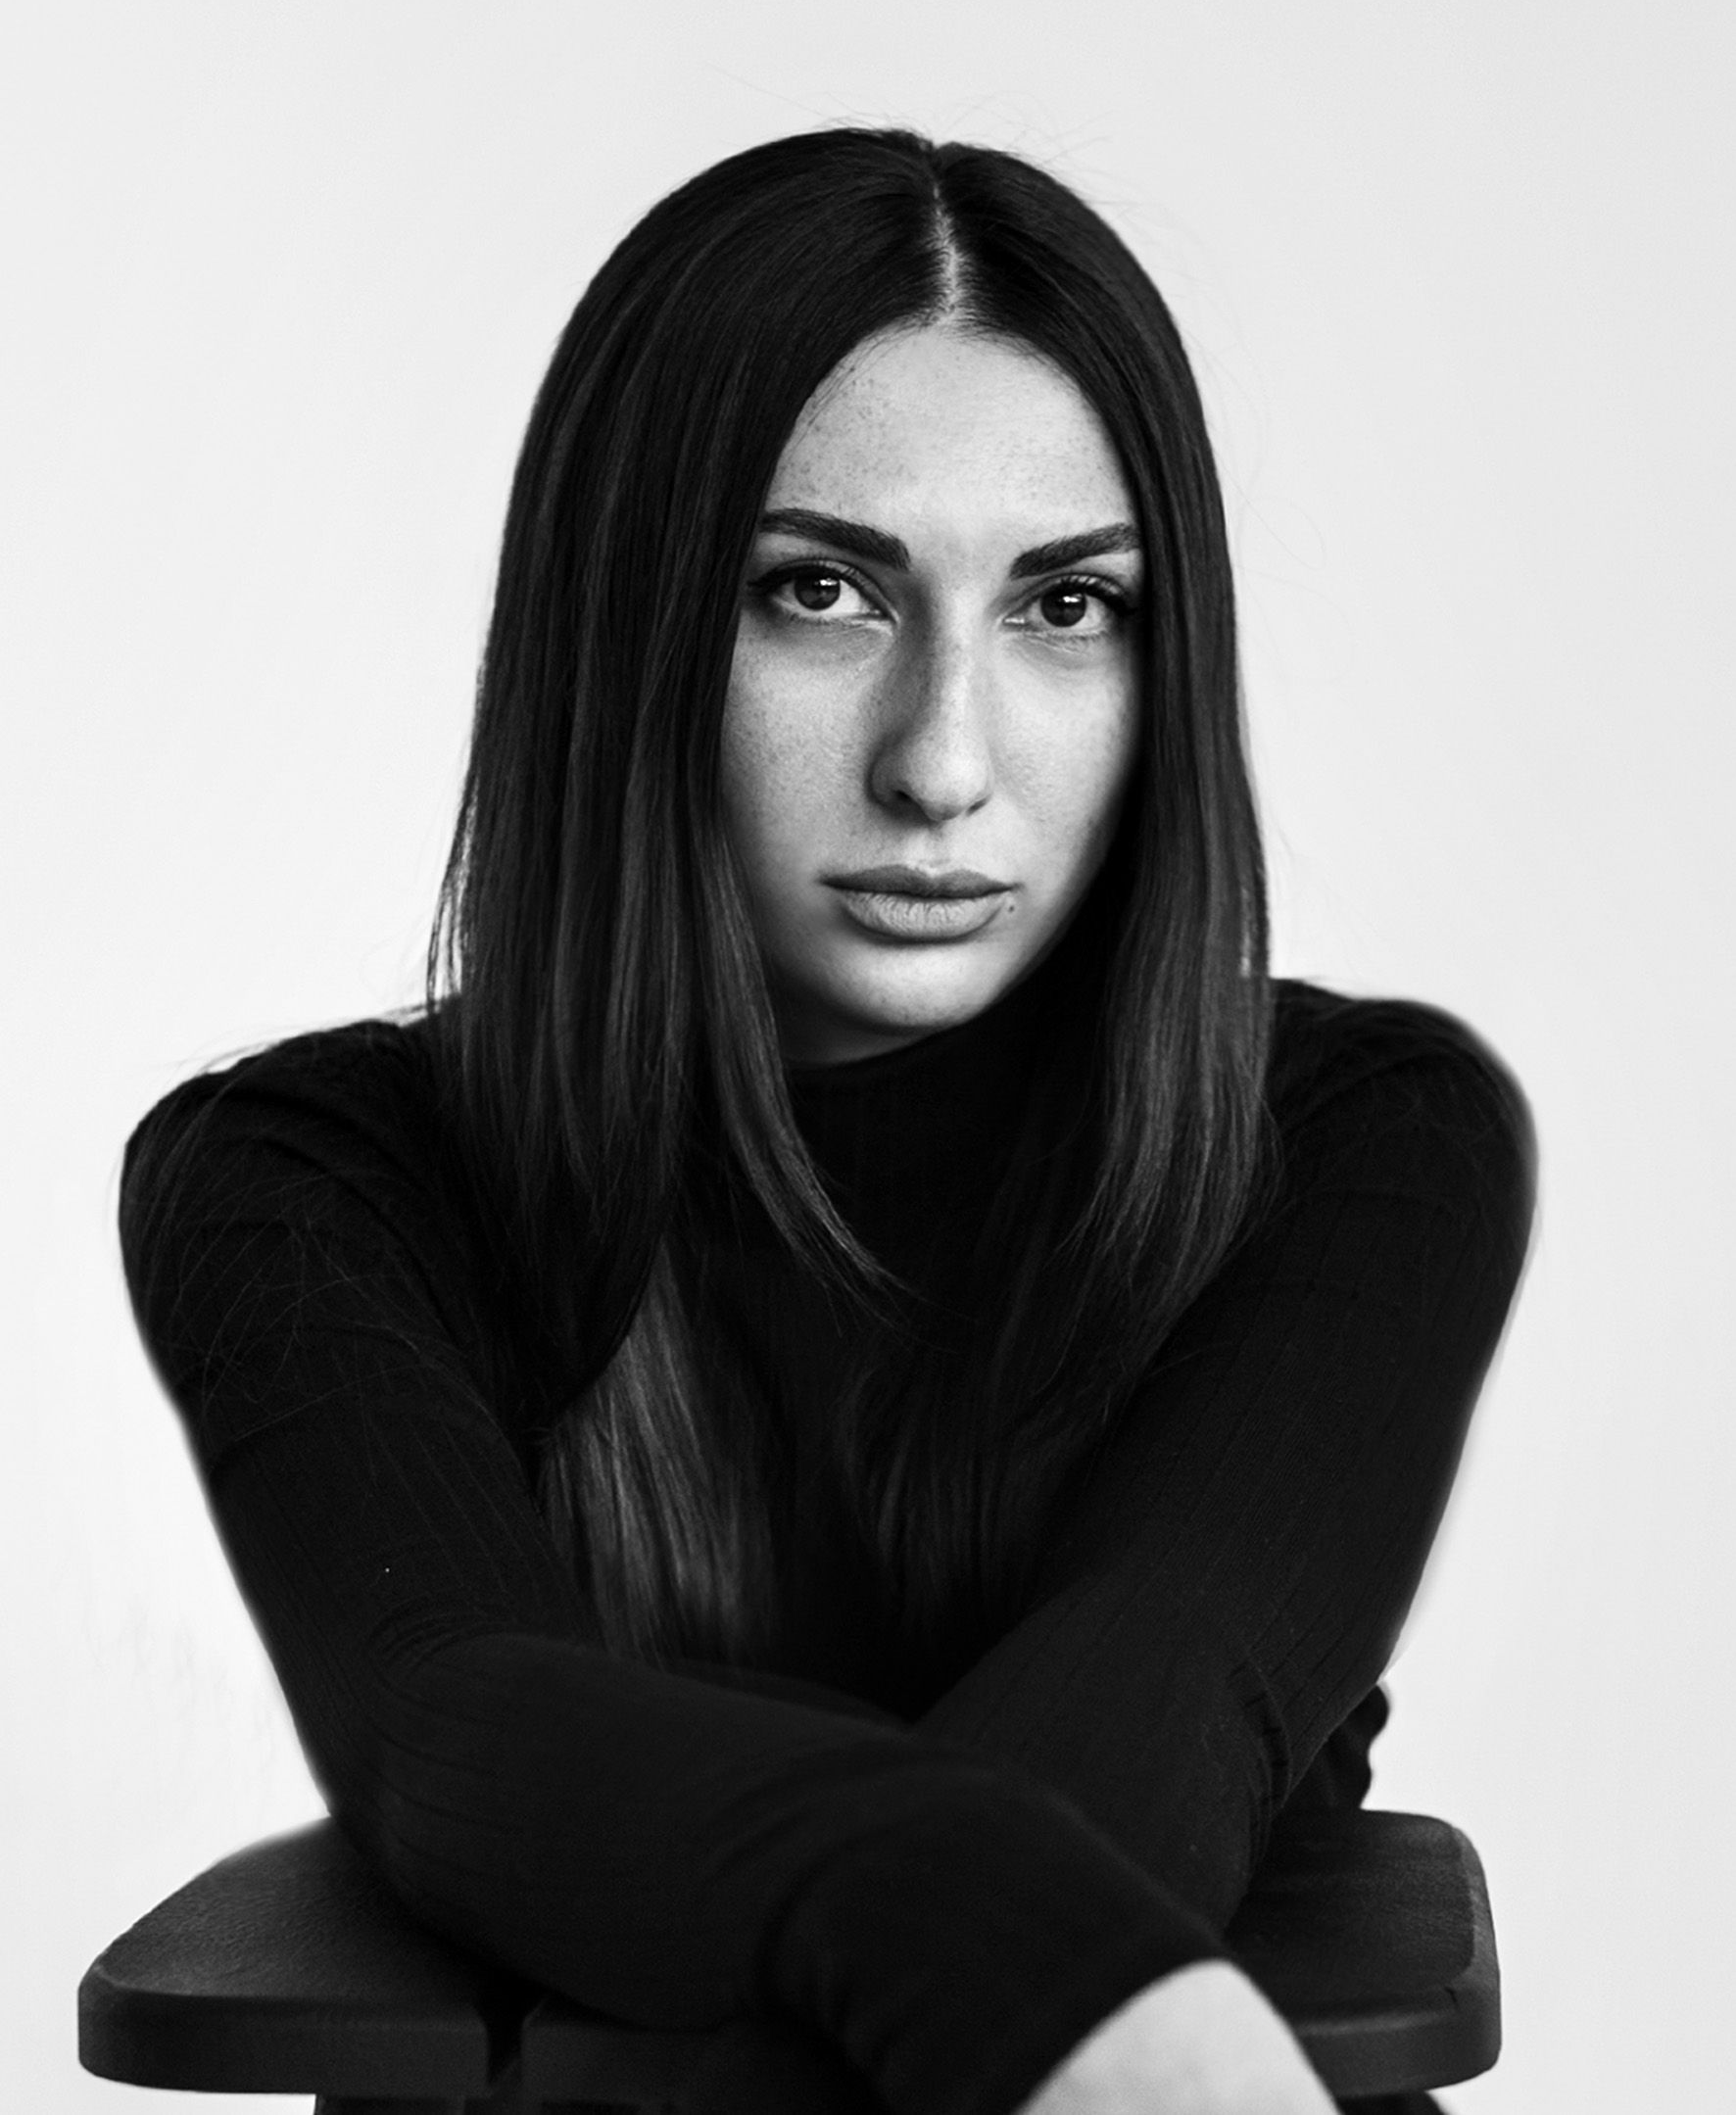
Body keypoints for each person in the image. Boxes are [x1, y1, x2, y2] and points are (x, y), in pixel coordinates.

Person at [120, 127, 1535, 2115]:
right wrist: (960, 1923)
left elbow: (1162, 1696)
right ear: (625, 627)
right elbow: (462, 1732)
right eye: (820, 590)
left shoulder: (1360, 1140)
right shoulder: (303, 1184)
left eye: (1066, 605)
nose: (941, 763)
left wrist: (703, 1869)